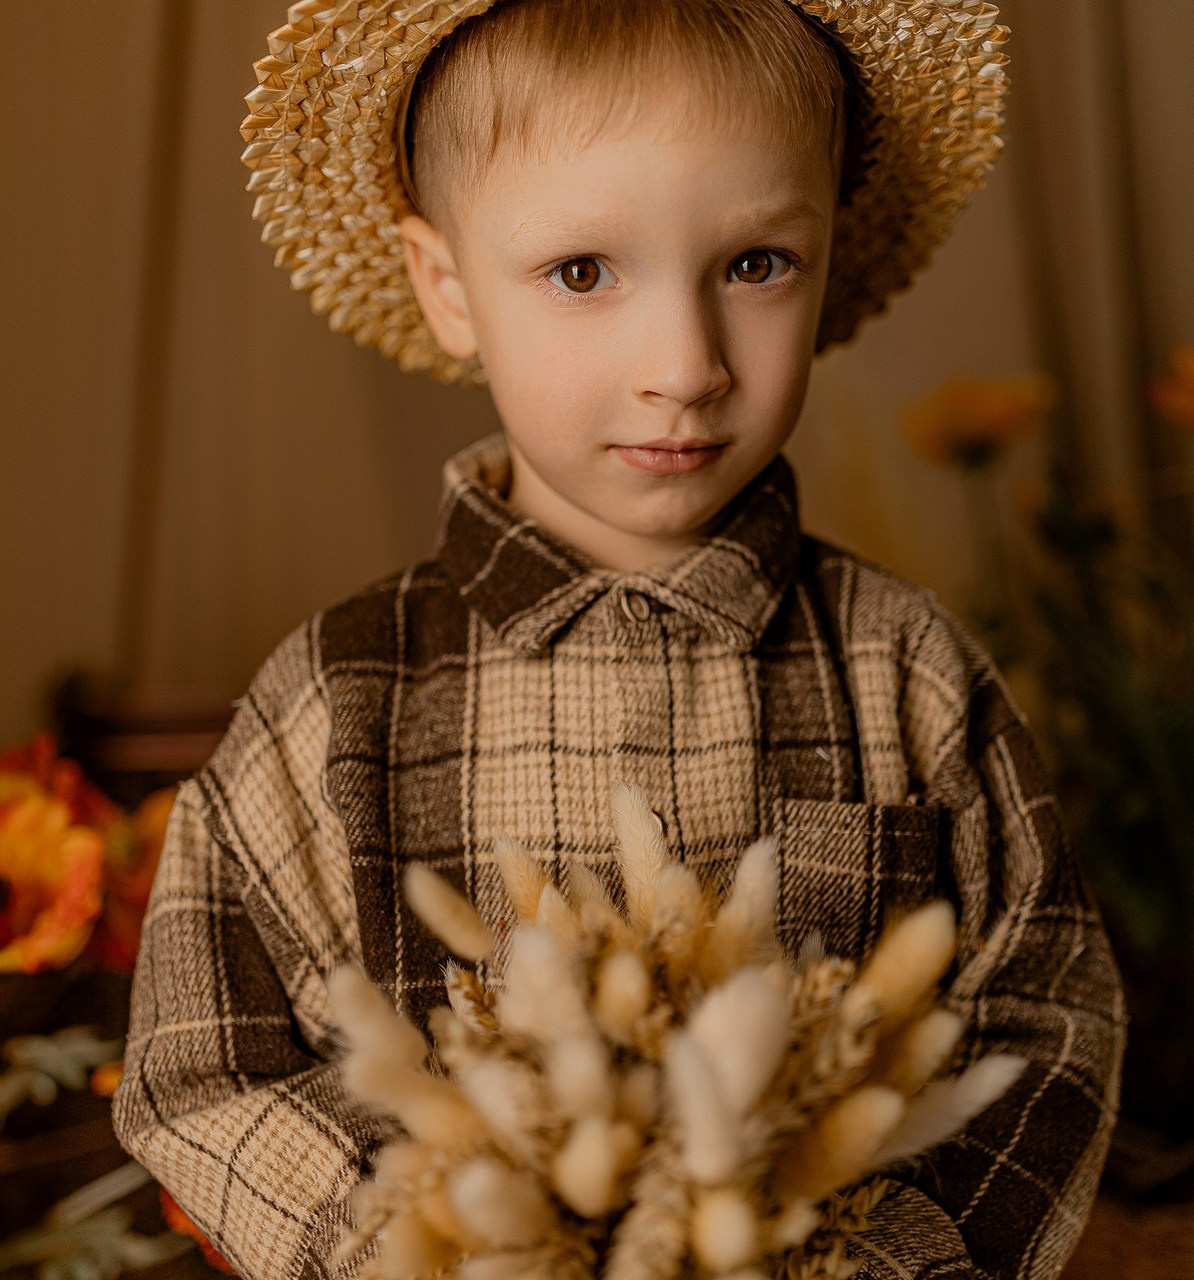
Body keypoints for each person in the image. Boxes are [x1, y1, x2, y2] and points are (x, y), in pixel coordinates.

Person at [113, 2, 1125, 1277]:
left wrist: (889, 1254)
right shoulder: (333, 699)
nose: (686, 365)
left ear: (825, 253)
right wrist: (427, 1245)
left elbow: (1045, 1010)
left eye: (754, 263)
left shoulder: (903, 667)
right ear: (448, 288)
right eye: (583, 272)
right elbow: (201, 1066)